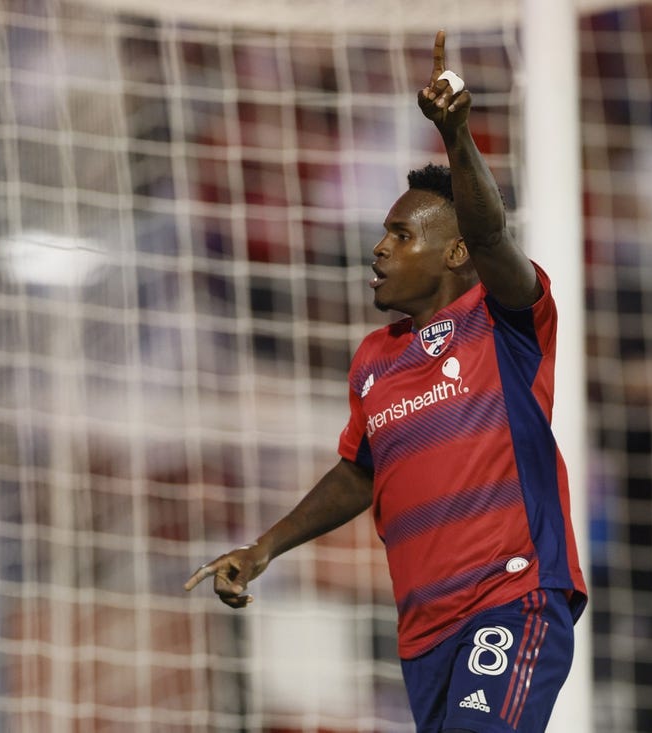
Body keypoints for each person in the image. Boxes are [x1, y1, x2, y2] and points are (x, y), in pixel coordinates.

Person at [185, 30, 587, 732]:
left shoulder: (505, 322)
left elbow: (493, 238)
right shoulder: (375, 357)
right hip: (425, 631)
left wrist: (456, 136)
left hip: (511, 598)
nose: (379, 247)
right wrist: (265, 547)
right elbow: (359, 472)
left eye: (402, 234)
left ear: (455, 252)